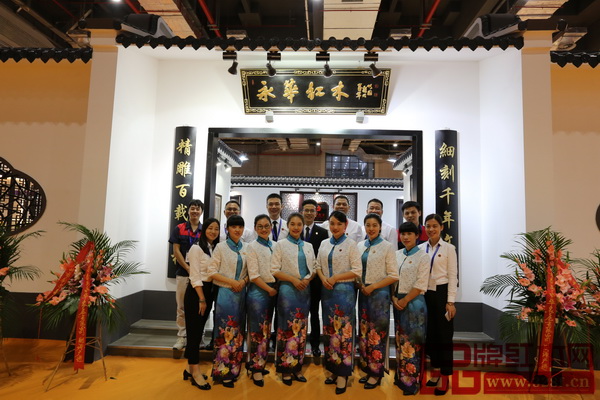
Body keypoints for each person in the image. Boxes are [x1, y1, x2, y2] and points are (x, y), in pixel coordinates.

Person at [316, 210, 362, 395]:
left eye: (339, 224)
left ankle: (343, 374)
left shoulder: (352, 245)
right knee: (329, 331)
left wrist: (335, 277)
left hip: (344, 292)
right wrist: (323, 279)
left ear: (345, 226)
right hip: (327, 292)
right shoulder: (324, 243)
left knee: (344, 332)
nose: (335, 227)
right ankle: (333, 370)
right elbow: (317, 265)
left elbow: (357, 270)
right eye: (332, 223)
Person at [270, 212, 315, 386]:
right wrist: (293, 280)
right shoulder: (280, 245)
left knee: (301, 329)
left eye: (299, 224)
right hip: (288, 291)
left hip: (304, 291)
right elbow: (274, 269)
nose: (296, 227)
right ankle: (285, 368)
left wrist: (307, 279)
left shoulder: (308, 246)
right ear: (287, 226)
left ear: (303, 226)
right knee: (286, 328)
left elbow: (314, 267)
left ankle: (297, 367)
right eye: (293, 224)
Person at [356, 213, 399, 389]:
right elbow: (356, 269)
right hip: (363, 294)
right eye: (368, 225)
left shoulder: (387, 247)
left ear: (380, 227)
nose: (371, 228)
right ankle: (368, 368)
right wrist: (360, 284)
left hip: (379, 295)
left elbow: (393, 275)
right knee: (364, 333)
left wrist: (373, 286)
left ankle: (376, 373)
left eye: (375, 225)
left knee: (377, 334)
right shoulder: (360, 245)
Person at [207, 215, 248, 388]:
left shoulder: (247, 247)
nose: (237, 230)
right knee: (224, 332)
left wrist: (243, 282)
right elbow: (211, 271)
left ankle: (235, 369)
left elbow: (251, 271)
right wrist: (232, 282)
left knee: (238, 333)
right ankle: (223, 371)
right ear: (227, 229)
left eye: (240, 227)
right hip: (225, 294)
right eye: (233, 227)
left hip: (241, 294)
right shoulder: (220, 247)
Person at [420, 214, 458, 396]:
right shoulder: (421, 248)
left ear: (441, 227)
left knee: (444, 337)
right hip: (424, 294)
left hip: (442, 295)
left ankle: (445, 377)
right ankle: (435, 373)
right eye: (428, 226)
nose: (431, 229)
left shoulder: (449, 249)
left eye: (434, 226)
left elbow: (453, 276)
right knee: (431, 337)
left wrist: (450, 302)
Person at [182, 217, 220, 391]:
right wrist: (201, 298)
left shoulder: (214, 248)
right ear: (204, 230)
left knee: (197, 333)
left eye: (216, 229)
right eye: (210, 228)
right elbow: (194, 275)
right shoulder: (196, 248)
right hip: (196, 293)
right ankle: (196, 373)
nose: (213, 231)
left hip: (209, 292)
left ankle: (188, 369)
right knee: (194, 333)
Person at [392, 222, 430, 395]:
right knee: (400, 341)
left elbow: (421, 283)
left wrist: (405, 299)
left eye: (409, 234)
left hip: (414, 303)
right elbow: (392, 278)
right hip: (397, 302)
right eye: (403, 234)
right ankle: (401, 376)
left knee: (412, 342)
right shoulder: (397, 254)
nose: (406, 237)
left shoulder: (423, 256)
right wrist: (394, 297)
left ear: (417, 236)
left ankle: (411, 382)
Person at [245, 214, 277, 387]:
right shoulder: (251, 247)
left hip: (273, 291)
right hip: (258, 292)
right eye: (260, 226)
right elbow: (254, 275)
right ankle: (255, 368)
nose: (264, 229)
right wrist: (269, 289)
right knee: (256, 331)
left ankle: (260, 363)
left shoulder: (276, 245)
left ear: (271, 227)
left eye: (266, 226)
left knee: (266, 330)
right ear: (255, 228)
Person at [169, 199, 204, 350]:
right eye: (192, 208)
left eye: (198, 209)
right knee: (181, 306)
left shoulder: (205, 230)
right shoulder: (179, 228)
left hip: (201, 275)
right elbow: (176, 251)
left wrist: (196, 270)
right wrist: (188, 268)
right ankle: (182, 337)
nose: (195, 211)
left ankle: (199, 338)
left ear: (201, 212)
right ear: (188, 211)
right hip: (183, 273)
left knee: (200, 306)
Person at [300, 199, 329, 361]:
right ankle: (299, 343)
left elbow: (322, 257)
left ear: (316, 213)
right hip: (298, 280)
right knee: (299, 313)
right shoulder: (295, 229)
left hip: (316, 279)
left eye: (312, 210)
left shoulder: (323, 232)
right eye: (307, 210)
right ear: (302, 211)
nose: (309, 213)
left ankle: (316, 344)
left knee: (314, 313)